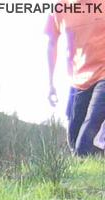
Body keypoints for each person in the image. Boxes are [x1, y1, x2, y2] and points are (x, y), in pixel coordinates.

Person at [46, 5, 105, 155]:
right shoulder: (60, 8)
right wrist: (50, 84)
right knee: (74, 138)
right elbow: (52, 43)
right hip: (78, 80)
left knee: (86, 139)